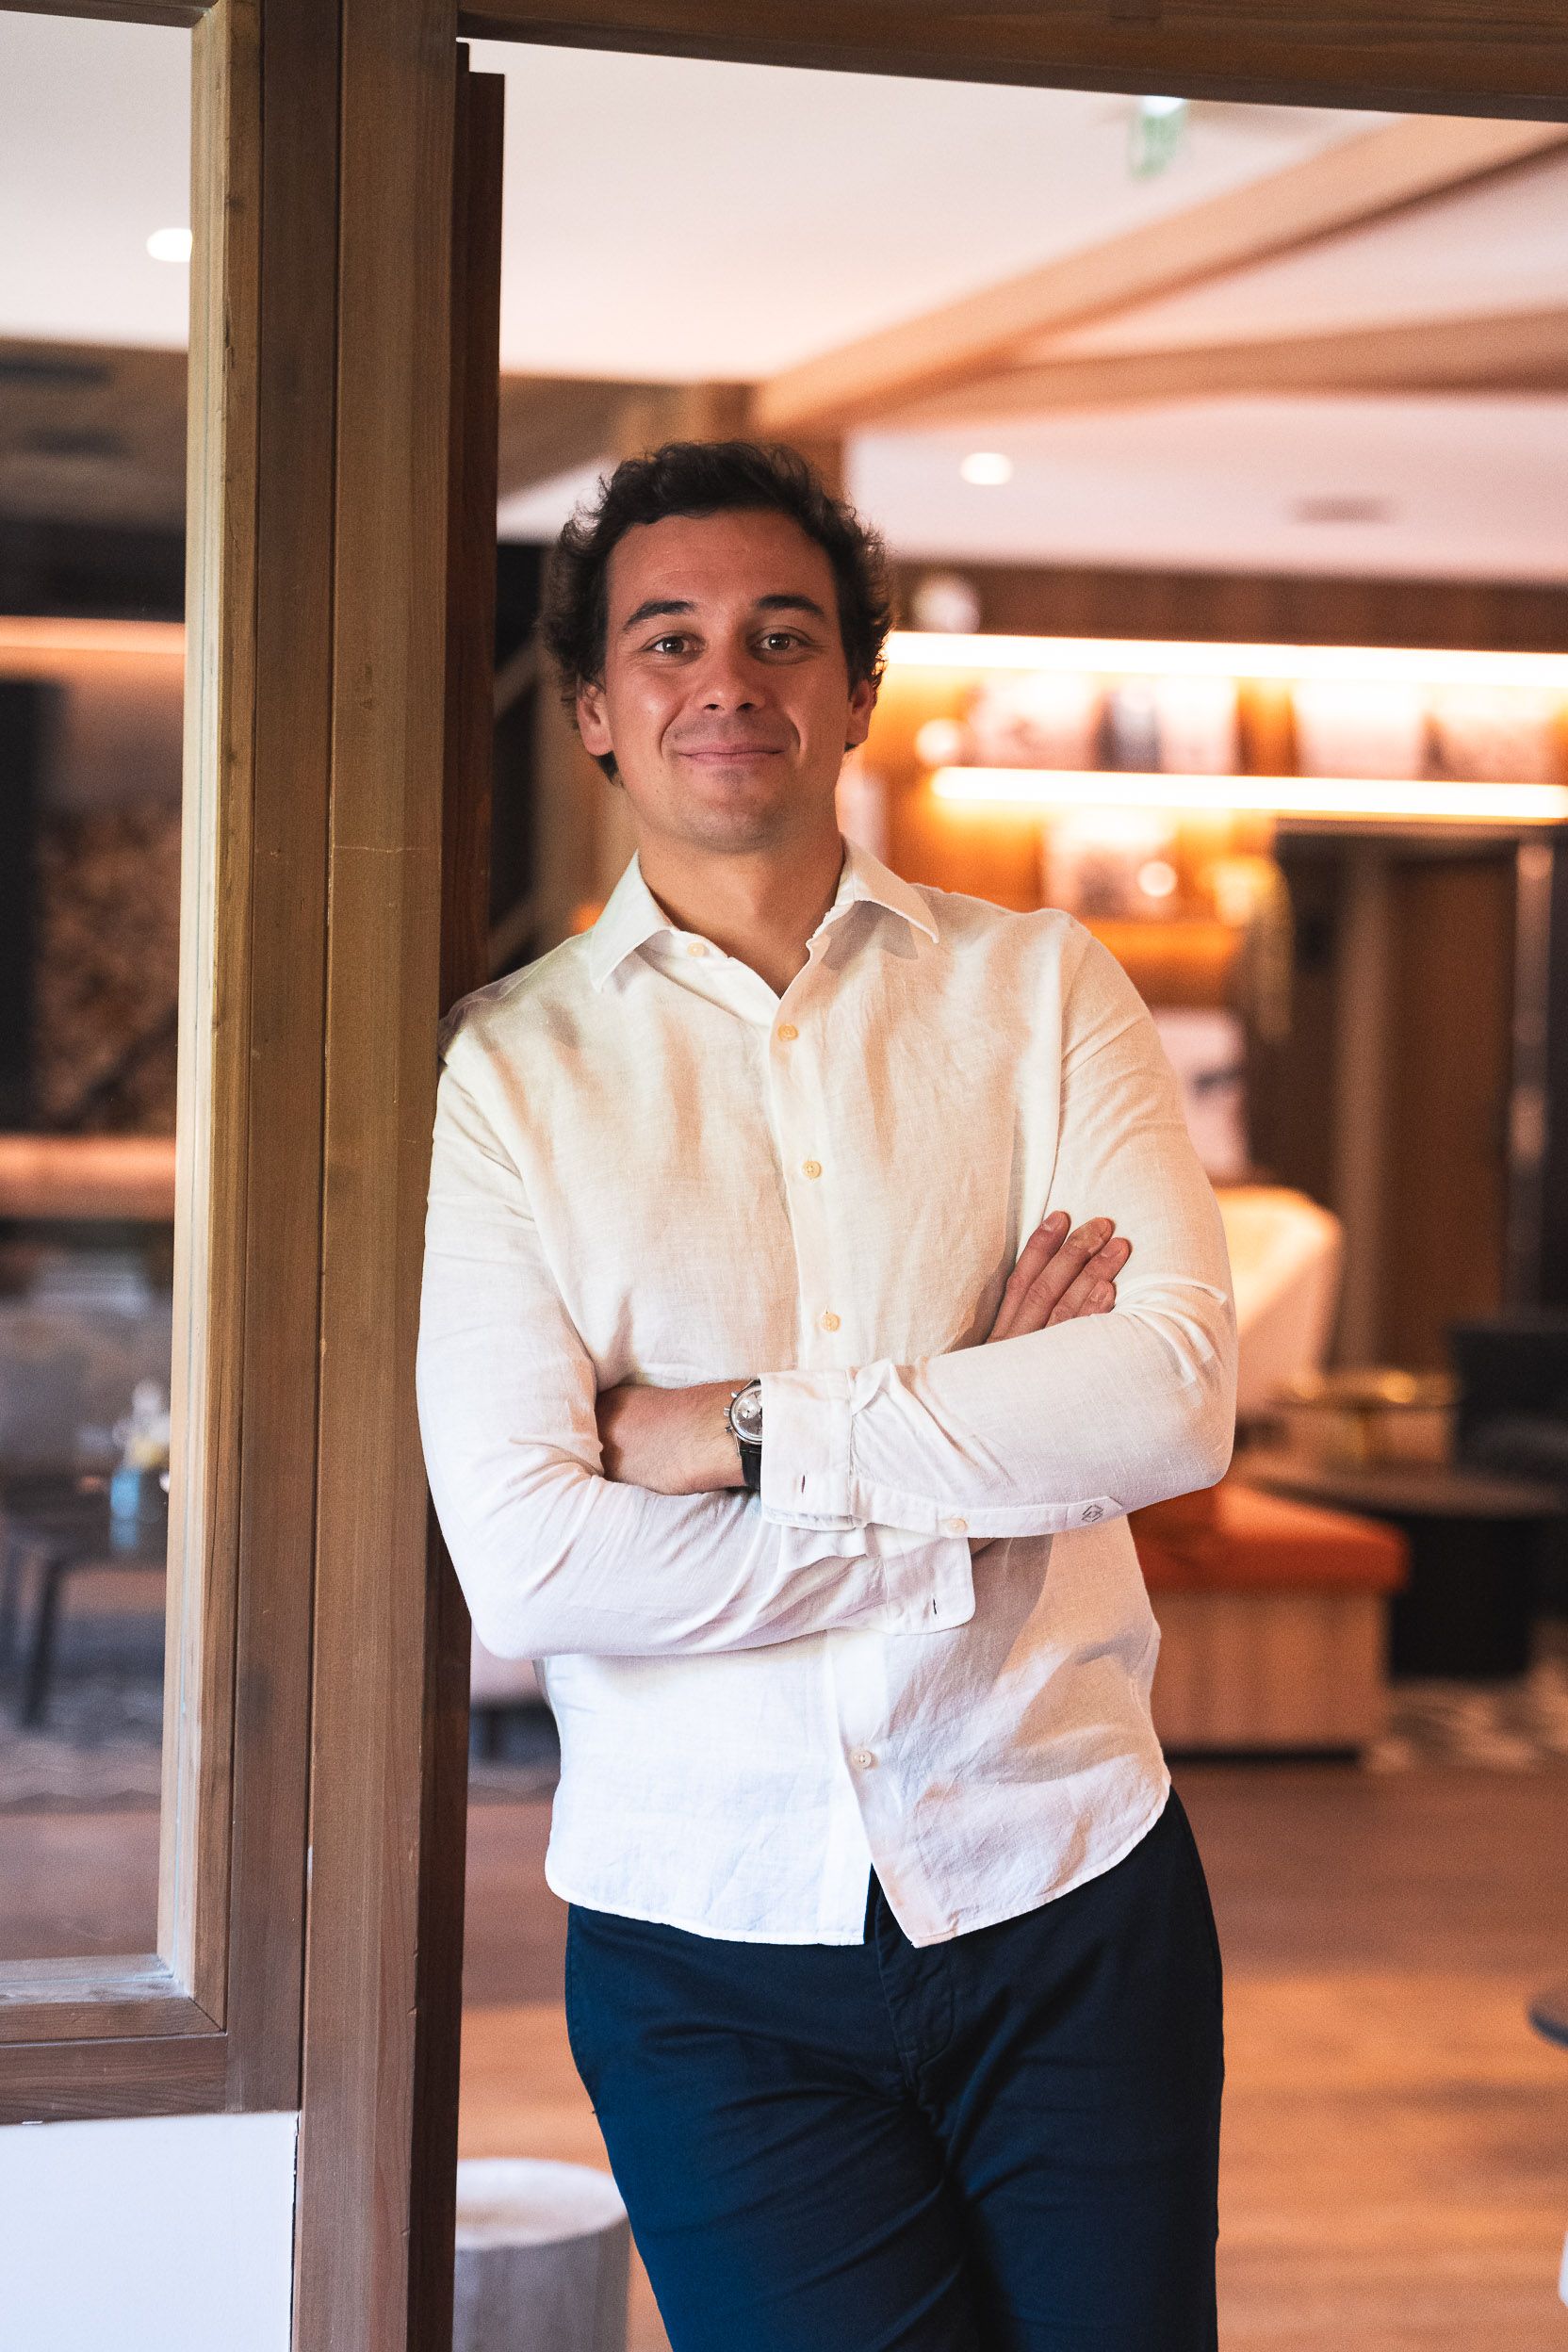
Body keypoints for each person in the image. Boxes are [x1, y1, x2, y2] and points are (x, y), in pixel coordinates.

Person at [416, 441, 1236, 2351]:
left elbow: (1173, 1398)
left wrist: (739, 1432)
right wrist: (985, 1470)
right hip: (705, 1950)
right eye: (670, 640)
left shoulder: (1044, 992)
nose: (729, 680)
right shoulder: (506, 1077)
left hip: (1069, 1884)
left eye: (782, 636)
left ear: (858, 689)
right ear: (594, 707)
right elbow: (533, 1566)